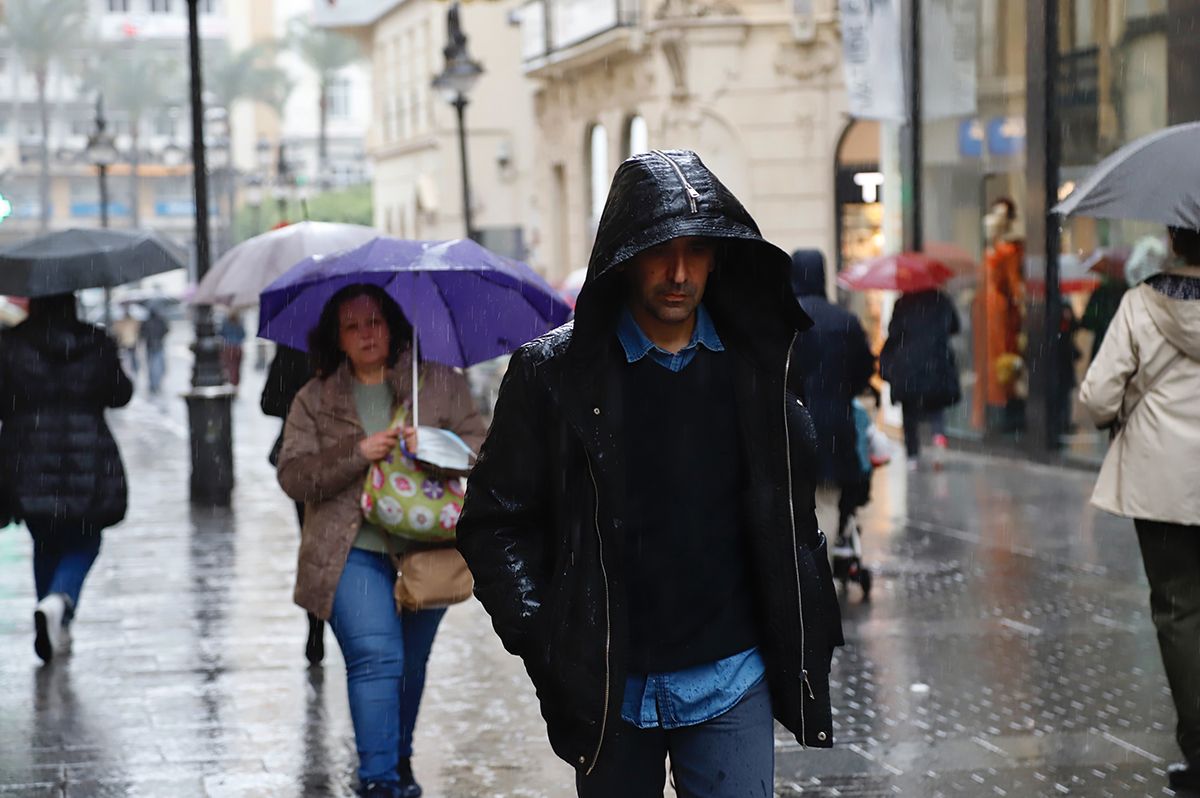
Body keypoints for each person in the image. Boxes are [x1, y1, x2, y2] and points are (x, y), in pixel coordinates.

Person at [457, 149, 843, 796]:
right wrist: (546, 638)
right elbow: (494, 524)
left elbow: (789, 511)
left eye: (696, 251)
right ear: (623, 256)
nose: (678, 273)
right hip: (612, 690)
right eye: (659, 251)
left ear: (718, 256)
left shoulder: (759, 364)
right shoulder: (553, 376)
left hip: (731, 677)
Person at [277, 284, 485, 798]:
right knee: (378, 657)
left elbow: (483, 451)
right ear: (337, 339)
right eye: (352, 326)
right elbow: (294, 476)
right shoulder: (315, 397)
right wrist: (357, 451)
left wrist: (434, 447)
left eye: (375, 321)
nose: (367, 333)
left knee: (410, 666)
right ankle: (377, 781)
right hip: (351, 550)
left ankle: (399, 759)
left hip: (427, 548)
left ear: (392, 324)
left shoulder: (438, 383)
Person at [1079, 225, 1200, 794]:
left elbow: (1100, 396)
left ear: (1176, 237)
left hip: (1163, 480)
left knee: (1179, 613)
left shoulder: (1141, 302)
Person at [0, 293, 133, 663]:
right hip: (86, 451)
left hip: (27, 454)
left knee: (45, 536)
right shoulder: (95, 341)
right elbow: (121, 394)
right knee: (86, 537)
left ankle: (50, 608)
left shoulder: (11, 344)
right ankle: (59, 603)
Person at [790, 249, 876, 537]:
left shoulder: (785, 319)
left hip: (791, 424)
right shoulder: (845, 321)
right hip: (835, 423)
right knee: (826, 503)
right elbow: (863, 369)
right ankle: (824, 574)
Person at [260, 343, 325, 664]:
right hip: (308, 464)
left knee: (313, 543)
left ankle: (317, 626)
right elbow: (270, 401)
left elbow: (269, 401)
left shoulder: (296, 346)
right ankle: (318, 623)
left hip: (309, 460)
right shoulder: (301, 349)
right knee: (317, 544)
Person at [880, 287, 962, 468]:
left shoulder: (903, 302)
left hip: (908, 364)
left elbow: (894, 334)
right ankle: (938, 437)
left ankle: (912, 455)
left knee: (909, 410)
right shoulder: (941, 299)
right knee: (936, 405)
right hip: (936, 360)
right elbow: (955, 326)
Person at [973, 197, 1025, 432]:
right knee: (987, 361)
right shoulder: (991, 249)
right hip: (986, 310)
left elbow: (1015, 286)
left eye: (1002, 216)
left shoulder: (1010, 251)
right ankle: (990, 410)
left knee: (1001, 358)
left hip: (1000, 313)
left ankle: (1003, 408)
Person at [140, 308, 168, 395]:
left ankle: (154, 384)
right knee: (155, 367)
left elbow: (142, 333)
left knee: (154, 367)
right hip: (154, 346)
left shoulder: (149, 321)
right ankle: (154, 385)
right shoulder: (159, 321)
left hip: (154, 346)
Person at [219, 311, 247, 389]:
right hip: (234, 349)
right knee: (233, 368)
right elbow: (243, 335)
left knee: (232, 368)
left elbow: (221, 333)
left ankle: (232, 384)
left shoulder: (228, 323)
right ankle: (233, 384)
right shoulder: (238, 323)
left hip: (231, 349)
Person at [111, 307, 141, 376]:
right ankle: (134, 369)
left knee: (128, 357)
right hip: (131, 342)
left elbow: (116, 331)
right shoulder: (133, 321)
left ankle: (131, 369)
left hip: (125, 342)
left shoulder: (121, 322)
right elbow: (137, 331)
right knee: (132, 356)